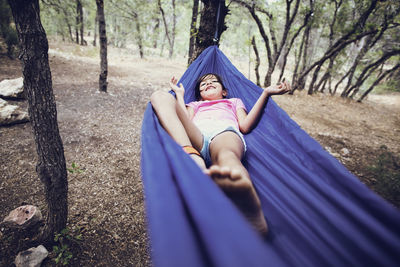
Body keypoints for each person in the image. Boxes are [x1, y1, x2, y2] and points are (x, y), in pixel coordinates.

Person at [150, 73, 290, 236]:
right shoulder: (195, 105)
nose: (207, 83)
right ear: (200, 94)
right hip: (197, 137)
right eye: (203, 84)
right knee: (159, 96)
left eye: (213, 81)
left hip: (224, 134)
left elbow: (244, 126)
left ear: (224, 91)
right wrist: (179, 95)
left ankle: (248, 205)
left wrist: (265, 93)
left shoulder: (233, 101)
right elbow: (183, 120)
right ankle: (192, 155)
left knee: (227, 156)